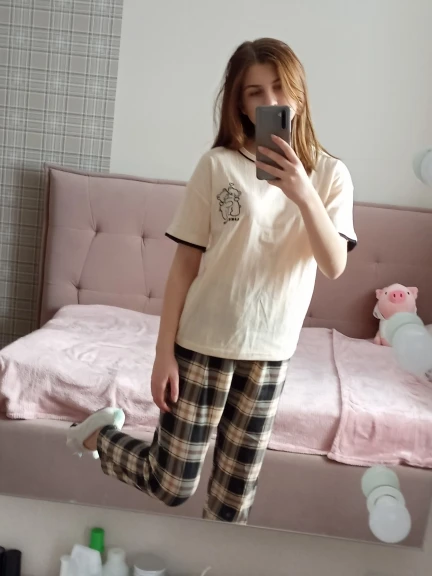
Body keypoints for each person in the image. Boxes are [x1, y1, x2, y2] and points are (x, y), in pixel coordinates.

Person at [67, 37, 357, 524]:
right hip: (201, 344)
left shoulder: (331, 176)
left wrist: (303, 192)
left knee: (231, 507)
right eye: (255, 92)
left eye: (280, 88)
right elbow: (184, 266)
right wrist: (163, 353)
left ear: (300, 93)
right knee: (171, 485)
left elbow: (333, 264)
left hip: (269, 355)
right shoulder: (217, 165)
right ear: (240, 105)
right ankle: (99, 435)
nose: (271, 101)